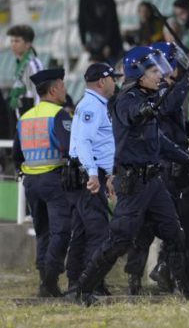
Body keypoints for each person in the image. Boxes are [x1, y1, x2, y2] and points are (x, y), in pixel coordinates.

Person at [67, 47, 189, 304]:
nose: (159, 76)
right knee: (119, 240)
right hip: (133, 183)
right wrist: (186, 79)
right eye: (153, 71)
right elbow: (148, 111)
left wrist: (188, 160)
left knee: (176, 235)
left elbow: (160, 142)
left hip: (153, 182)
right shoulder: (127, 100)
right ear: (138, 75)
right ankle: (83, 289)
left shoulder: (147, 97)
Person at [12, 68, 72, 297]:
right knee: (61, 230)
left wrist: (23, 171)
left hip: (30, 181)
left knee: (43, 231)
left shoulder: (26, 116)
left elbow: (17, 154)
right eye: (63, 86)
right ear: (55, 89)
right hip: (53, 180)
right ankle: (49, 279)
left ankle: (45, 282)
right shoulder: (59, 114)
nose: (65, 90)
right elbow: (67, 146)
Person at [65, 63, 123, 293]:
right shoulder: (91, 106)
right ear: (101, 81)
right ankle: (92, 284)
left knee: (81, 232)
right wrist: (93, 173)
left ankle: (76, 282)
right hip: (88, 175)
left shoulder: (95, 104)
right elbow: (84, 143)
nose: (115, 82)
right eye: (112, 78)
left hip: (88, 174)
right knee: (98, 232)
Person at [77, 0, 123, 64]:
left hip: (111, 41)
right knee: (97, 72)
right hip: (94, 42)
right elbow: (81, 21)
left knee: (114, 69)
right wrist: (83, 41)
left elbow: (112, 21)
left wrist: (108, 44)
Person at [7, 24, 44, 119]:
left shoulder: (33, 64)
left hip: (31, 114)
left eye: (17, 41)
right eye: (11, 41)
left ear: (28, 44)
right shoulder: (18, 64)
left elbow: (39, 92)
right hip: (19, 113)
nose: (13, 44)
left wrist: (37, 117)